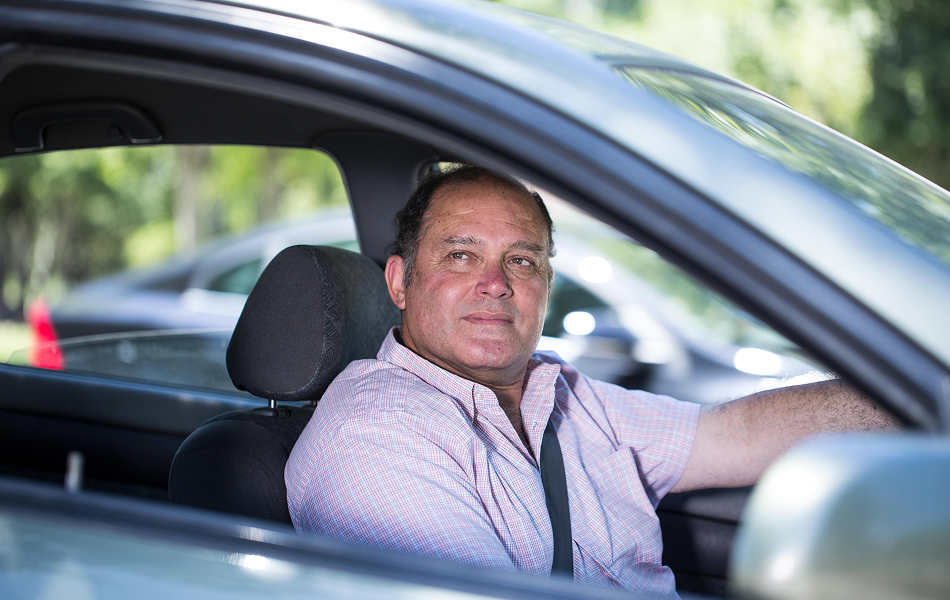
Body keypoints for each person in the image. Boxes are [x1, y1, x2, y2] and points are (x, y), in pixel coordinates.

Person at [284, 165, 899, 596]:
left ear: (545, 289)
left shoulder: (562, 395)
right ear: (399, 282)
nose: (495, 283)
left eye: (521, 261)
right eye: (460, 255)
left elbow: (731, 434)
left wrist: (908, 391)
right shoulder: (374, 436)